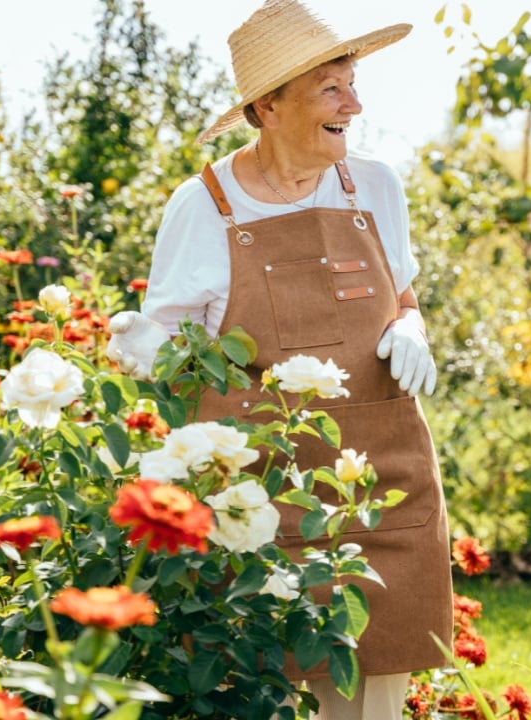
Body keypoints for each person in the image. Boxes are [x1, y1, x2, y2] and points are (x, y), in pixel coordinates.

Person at [105, 1, 452, 718]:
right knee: (241, 686)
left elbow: (404, 296)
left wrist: (412, 328)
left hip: (377, 484)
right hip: (255, 497)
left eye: (352, 83)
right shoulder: (203, 208)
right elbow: (169, 357)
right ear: (268, 106)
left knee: (374, 688)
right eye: (332, 88)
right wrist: (142, 346)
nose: (354, 103)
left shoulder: (376, 185)